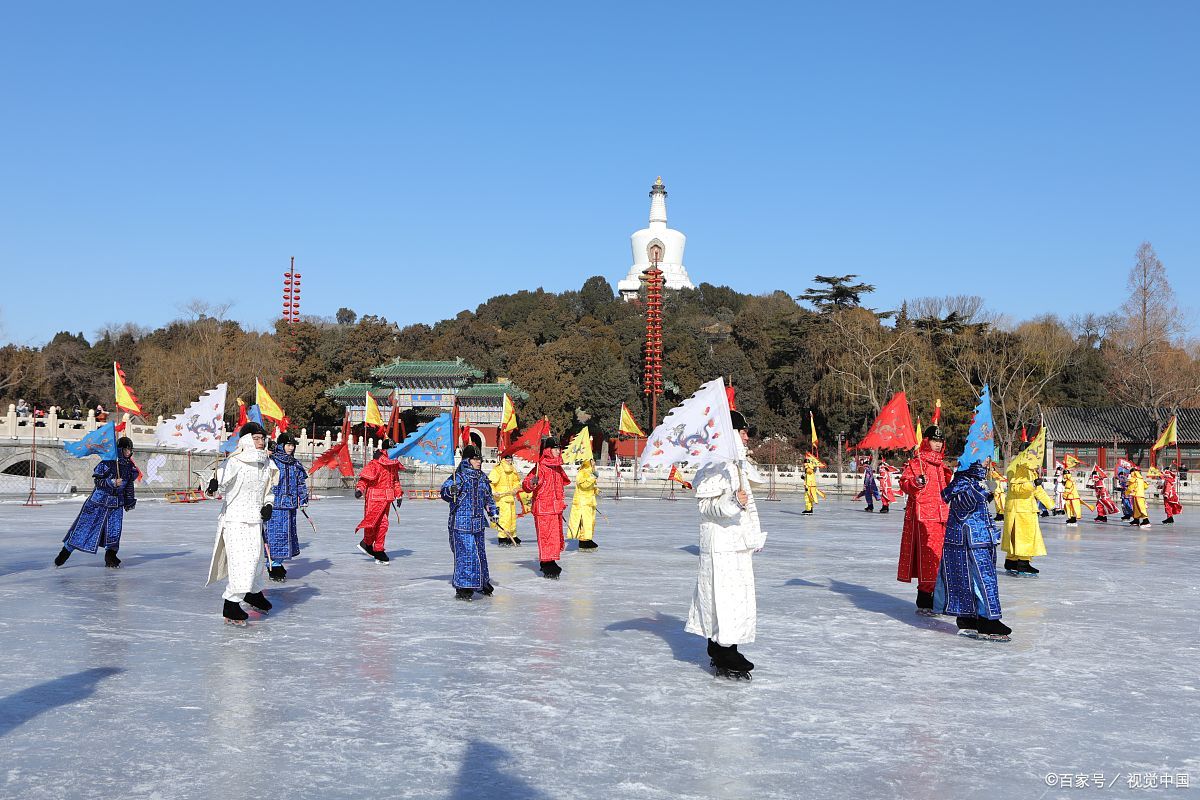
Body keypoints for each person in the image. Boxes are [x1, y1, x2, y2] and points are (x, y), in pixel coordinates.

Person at [685, 409, 766, 679]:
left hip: (736, 542)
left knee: (736, 598)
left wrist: (753, 534)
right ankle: (723, 648)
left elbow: (749, 506)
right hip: (720, 544)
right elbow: (706, 507)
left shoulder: (736, 465)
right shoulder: (714, 465)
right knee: (723, 597)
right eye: (742, 431)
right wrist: (732, 502)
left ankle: (723, 646)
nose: (746, 436)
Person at [205, 422, 279, 626]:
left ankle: (252, 593)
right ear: (246, 440)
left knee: (256, 560)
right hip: (235, 519)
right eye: (256, 438)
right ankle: (231, 602)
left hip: (255, 519)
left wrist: (268, 504)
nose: (260, 442)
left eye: (262, 438)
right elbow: (216, 488)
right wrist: (212, 486)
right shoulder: (234, 462)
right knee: (242, 562)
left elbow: (268, 490)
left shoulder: (265, 464)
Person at [933, 461, 1012, 641]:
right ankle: (986, 620)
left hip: (979, 537)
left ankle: (970, 618)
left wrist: (987, 491)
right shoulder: (962, 480)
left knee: (974, 578)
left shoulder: (976, 478)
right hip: (969, 538)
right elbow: (962, 508)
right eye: (983, 458)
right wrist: (983, 490)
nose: (987, 461)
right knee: (980, 579)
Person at [55, 436, 138, 569]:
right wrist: (111, 482)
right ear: (120, 450)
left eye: (130, 450)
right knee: (84, 529)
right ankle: (64, 554)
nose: (129, 452)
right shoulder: (107, 463)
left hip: (116, 504)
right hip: (98, 503)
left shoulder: (129, 467)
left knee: (114, 532)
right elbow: (98, 482)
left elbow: (129, 486)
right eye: (127, 449)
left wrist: (129, 501)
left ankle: (111, 557)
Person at [898, 425, 951, 615]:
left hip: (943, 515)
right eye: (934, 440)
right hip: (924, 517)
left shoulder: (942, 466)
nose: (937, 444)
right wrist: (915, 482)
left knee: (941, 558)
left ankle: (939, 598)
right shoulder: (917, 463)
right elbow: (904, 484)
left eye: (940, 441)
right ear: (926, 441)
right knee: (928, 558)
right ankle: (925, 599)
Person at [441, 445, 499, 600]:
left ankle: (481, 583)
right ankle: (463, 586)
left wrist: (493, 512)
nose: (478, 461)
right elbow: (444, 491)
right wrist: (451, 491)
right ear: (467, 460)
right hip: (461, 523)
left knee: (480, 554)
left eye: (479, 458)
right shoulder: (458, 476)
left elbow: (488, 498)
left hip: (478, 523)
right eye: (475, 458)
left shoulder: (482, 478)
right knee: (467, 554)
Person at [522, 436, 570, 578]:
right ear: (548, 450)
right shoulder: (540, 467)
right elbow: (526, 485)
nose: (558, 451)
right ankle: (547, 562)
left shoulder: (557, 467)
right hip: (543, 508)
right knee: (546, 536)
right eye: (555, 448)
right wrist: (532, 482)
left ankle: (549, 560)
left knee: (554, 537)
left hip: (555, 508)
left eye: (559, 448)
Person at [264, 432, 310, 581]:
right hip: (274, 505)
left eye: (292, 445)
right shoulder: (271, 461)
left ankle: (277, 562)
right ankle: (272, 564)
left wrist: (303, 499)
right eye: (288, 445)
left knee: (286, 536)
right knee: (275, 536)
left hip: (289, 505)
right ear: (281, 445)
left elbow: (300, 483)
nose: (290, 448)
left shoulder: (295, 464)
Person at [1001, 449, 1054, 577]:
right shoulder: (1016, 468)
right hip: (1019, 509)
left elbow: (1038, 491)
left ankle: (1012, 562)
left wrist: (1051, 505)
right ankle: (1022, 563)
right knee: (1023, 537)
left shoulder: (1030, 470)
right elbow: (1015, 488)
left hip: (1024, 508)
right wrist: (1032, 484)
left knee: (1018, 537)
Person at [354, 439, 404, 564]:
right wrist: (360, 489)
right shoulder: (375, 463)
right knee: (372, 523)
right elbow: (364, 479)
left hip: (386, 497)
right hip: (374, 497)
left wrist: (398, 494)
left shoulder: (393, 464)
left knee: (383, 525)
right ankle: (368, 543)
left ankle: (377, 549)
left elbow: (395, 481)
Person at [487, 453, 522, 546]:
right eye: (507, 459)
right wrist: (494, 492)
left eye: (510, 458)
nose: (509, 460)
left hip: (510, 496)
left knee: (512, 517)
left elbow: (516, 481)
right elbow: (490, 483)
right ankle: (502, 537)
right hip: (501, 497)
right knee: (504, 518)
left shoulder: (513, 469)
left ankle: (512, 534)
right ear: (503, 459)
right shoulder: (497, 470)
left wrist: (515, 488)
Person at [566, 457, 600, 549]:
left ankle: (587, 539)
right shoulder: (582, 472)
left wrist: (596, 490)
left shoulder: (590, 471)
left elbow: (589, 486)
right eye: (592, 460)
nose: (594, 462)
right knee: (585, 521)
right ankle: (584, 540)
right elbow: (583, 485)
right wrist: (593, 477)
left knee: (590, 521)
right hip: (582, 502)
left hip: (589, 501)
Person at [1125, 464, 1150, 528]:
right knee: (1137, 509)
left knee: (1141, 508)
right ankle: (1136, 520)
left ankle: (1146, 521)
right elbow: (1146, 486)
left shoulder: (1134, 479)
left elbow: (1130, 487)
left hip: (1137, 495)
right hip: (1140, 495)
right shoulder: (1141, 479)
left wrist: (1126, 492)